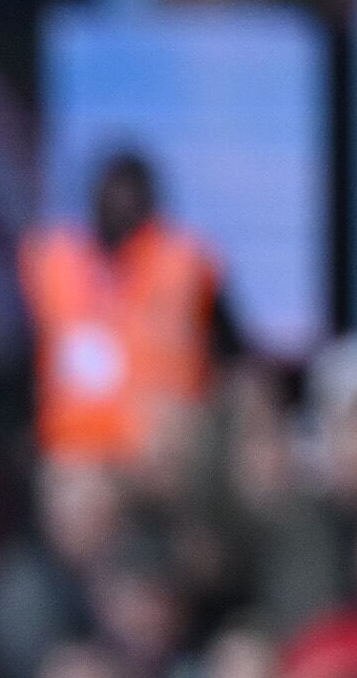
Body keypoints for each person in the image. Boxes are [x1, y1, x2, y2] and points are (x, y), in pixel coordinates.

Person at [19, 148, 241, 472]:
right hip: (75, 457)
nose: (121, 204)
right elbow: (25, 358)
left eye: (131, 195)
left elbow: (235, 361)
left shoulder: (186, 263)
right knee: (79, 495)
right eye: (111, 192)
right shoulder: (53, 262)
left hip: (168, 456)